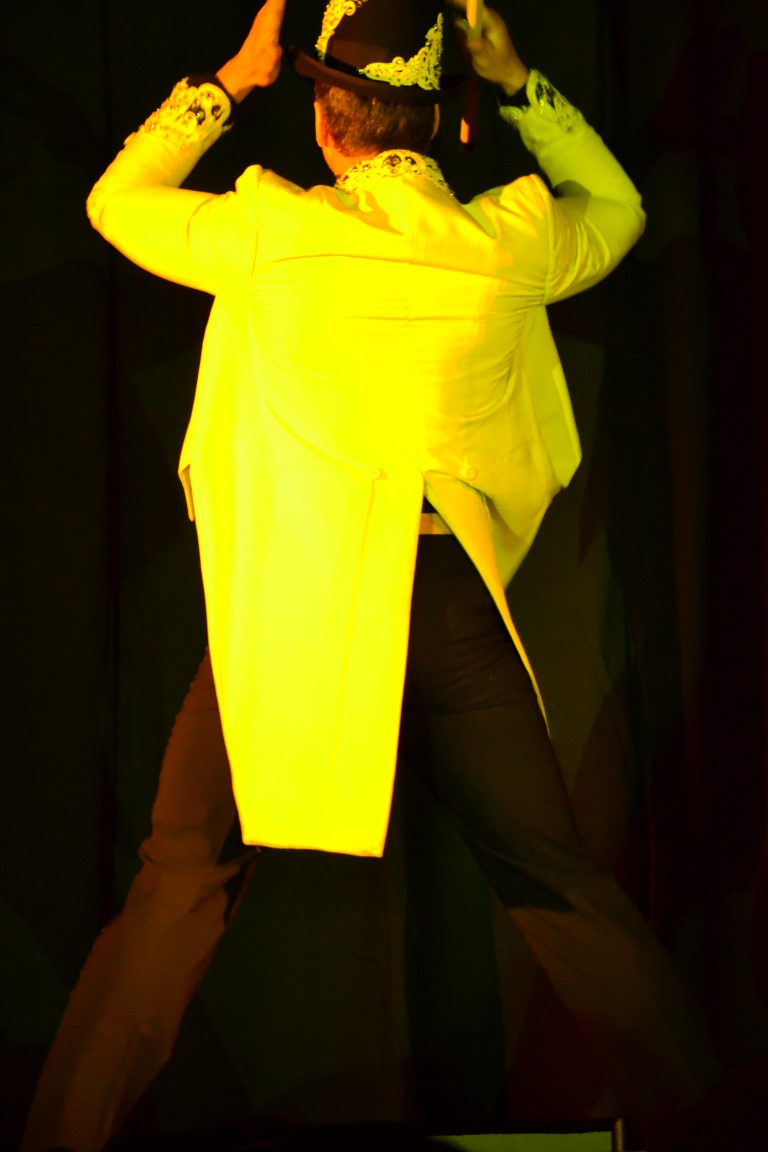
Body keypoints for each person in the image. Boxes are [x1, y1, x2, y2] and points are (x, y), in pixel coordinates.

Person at [22, 2, 722, 1149]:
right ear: (442, 123)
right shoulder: (504, 242)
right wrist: (521, 83)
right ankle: (716, 1124)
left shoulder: (273, 234)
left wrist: (231, 82)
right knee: (562, 888)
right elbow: (623, 209)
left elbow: (116, 202)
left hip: (298, 614)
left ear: (325, 123)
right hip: (447, 605)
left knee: (180, 884)